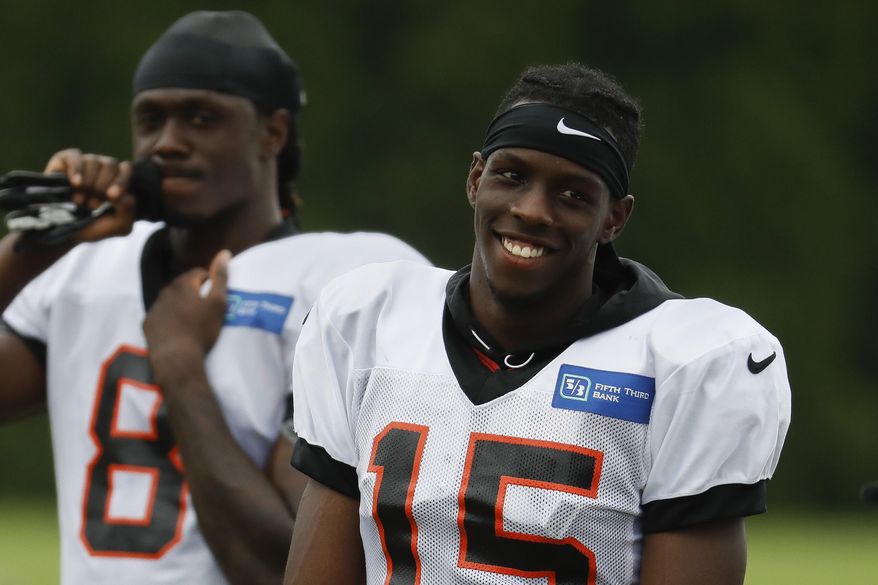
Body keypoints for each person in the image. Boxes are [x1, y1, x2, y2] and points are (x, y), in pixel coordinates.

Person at [283, 63, 792, 585]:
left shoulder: (688, 361)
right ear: (476, 178)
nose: (532, 210)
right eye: (513, 175)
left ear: (614, 217)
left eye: (573, 194)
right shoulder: (369, 319)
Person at [0, 10, 427, 585]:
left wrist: (180, 366)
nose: (168, 143)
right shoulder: (84, 268)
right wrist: (38, 245)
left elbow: (289, 566)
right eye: (151, 119)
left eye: (202, 118)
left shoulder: (339, 284)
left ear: (272, 133)